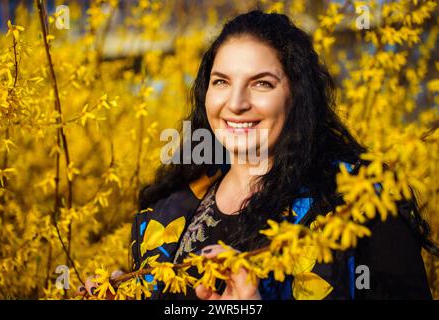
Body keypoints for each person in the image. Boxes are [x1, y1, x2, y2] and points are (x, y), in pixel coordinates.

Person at [80, 10, 435, 300]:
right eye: (221, 82)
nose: (235, 104)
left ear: (296, 96)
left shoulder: (358, 200)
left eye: (261, 83)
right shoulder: (163, 218)